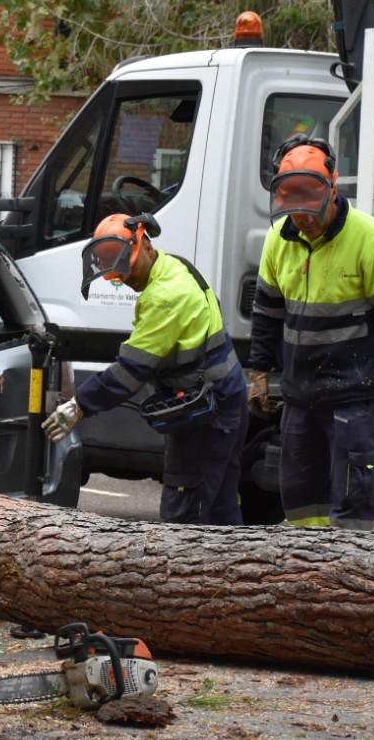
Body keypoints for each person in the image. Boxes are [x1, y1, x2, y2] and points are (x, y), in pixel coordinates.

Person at [246, 135, 374, 530]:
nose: (303, 219)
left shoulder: (369, 238)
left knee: (349, 497)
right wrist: (258, 374)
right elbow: (266, 316)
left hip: (353, 395)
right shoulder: (279, 240)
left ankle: (348, 574)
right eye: (294, 210)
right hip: (300, 394)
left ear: (332, 189)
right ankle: (303, 573)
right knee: (300, 499)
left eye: (310, 209)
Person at [42, 213, 248, 525]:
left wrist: (79, 405)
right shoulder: (174, 265)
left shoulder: (165, 295)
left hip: (208, 414)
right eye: (116, 273)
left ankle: (181, 571)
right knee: (219, 502)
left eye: (126, 267)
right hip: (225, 397)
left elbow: (130, 373)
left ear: (146, 245)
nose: (124, 277)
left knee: (185, 508)